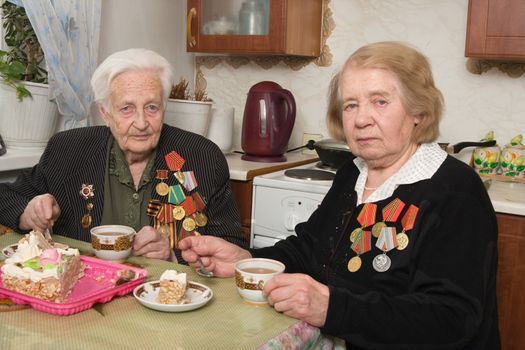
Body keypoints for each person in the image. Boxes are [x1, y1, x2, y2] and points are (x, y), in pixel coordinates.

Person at [179, 42, 500, 349]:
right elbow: (308, 250)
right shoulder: (353, 173)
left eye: (380, 101)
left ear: (418, 110)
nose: (361, 119)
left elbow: (451, 319)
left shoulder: (455, 191)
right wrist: (248, 259)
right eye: (351, 105)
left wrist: (331, 308)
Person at [0, 48, 247, 260]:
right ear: (105, 113)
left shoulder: (202, 157)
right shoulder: (68, 150)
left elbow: (232, 247)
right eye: (126, 109)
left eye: (151, 107)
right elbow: (5, 196)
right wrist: (27, 213)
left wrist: (173, 255)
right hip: (86, 296)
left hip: (167, 300)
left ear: (164, 107)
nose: (141, 122)